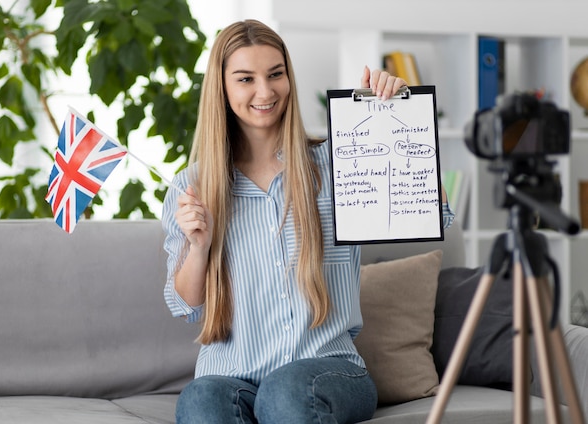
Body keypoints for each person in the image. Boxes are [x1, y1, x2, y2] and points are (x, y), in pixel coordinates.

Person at [162, 19, 455, 424]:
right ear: (222, 88)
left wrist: (400, 121)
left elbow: (433, 213)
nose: (265, 91)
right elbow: (186, 306)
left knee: (285, 393)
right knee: (199, 400)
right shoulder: (191, 187)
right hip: (231, 376)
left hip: (328, 371)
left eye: (275, 74)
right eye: (246, 78)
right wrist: (199, 247)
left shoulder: (338, 164)